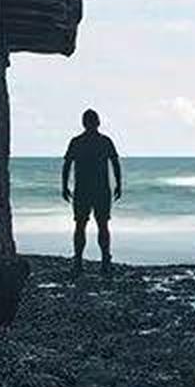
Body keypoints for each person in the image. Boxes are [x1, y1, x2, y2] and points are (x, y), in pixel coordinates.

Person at [62, 109, 122, 278]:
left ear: (84, 123)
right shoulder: (104, 141)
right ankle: (103, 262)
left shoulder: (77, 142)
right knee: (101, 225)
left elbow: (67, 165)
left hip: (84, 190)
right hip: (100, 190)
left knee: (81, 225)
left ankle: (80, 262)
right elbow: (115, 164)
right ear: (98, 122)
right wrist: (118, 184)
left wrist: (64, 186)